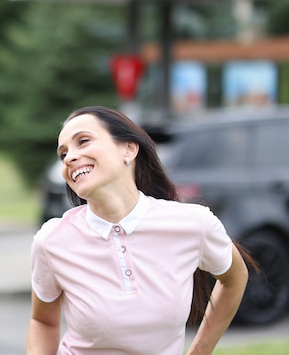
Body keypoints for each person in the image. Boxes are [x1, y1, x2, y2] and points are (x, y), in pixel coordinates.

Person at [26, 106, 251, 355]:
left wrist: (199, 351)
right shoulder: (52, 241)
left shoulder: (194, 223)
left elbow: (235, 278)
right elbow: (42, 321)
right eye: (63, 153)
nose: (69, 158)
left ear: (129, 149)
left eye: (84, 141)